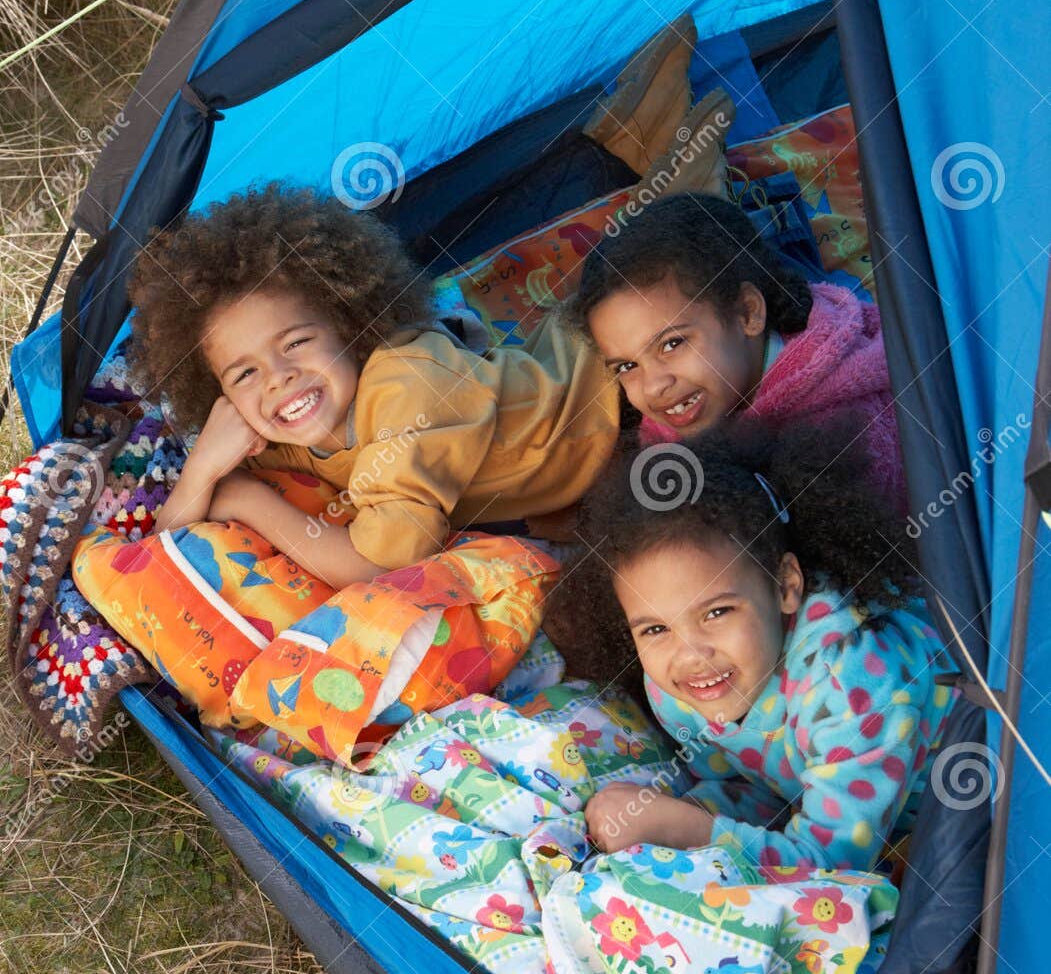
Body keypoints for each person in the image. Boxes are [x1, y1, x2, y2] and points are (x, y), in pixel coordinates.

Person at [131, 183, 620, 590]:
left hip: (616, 387)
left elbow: (383, 568)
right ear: (219, 394)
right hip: (575, 481)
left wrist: (242, 498)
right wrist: (201, 471)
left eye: (296, 342)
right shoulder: (278, 436)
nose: (278, 376)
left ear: (350, 325)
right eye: (244, 374)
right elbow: (160, 557)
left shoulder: (407, 383)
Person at [548, 420, 954, 875]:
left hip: (958, 804)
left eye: (717, 613)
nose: (691, 655)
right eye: (655, 630)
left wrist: (689, 830)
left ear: (785, 586)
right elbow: (756, 787)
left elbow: (832, 865)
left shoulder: (855, 685)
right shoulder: (674, 686)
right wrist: (671, 814)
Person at [567, 192, 906, 514]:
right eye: (627, 365)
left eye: (672, 344)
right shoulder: (676, 428)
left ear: (747, 313)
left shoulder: (854, 431)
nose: (654, 385)